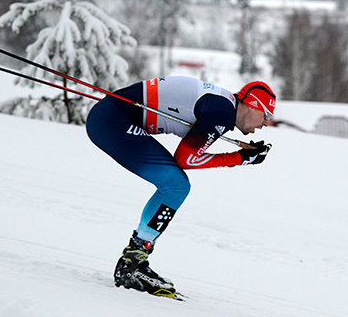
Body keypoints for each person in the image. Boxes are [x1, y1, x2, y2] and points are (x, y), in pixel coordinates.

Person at [85, 75, 275, 298]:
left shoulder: (222, 106)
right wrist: (239, 158)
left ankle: (134, 259)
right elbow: (186, 159)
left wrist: (240, 156)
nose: (266, 123)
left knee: (175, 184)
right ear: (252, 105)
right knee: (175, 185)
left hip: (111, 117)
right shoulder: (221, 112)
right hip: (113, 122)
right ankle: (132, 264)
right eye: (266, 115)